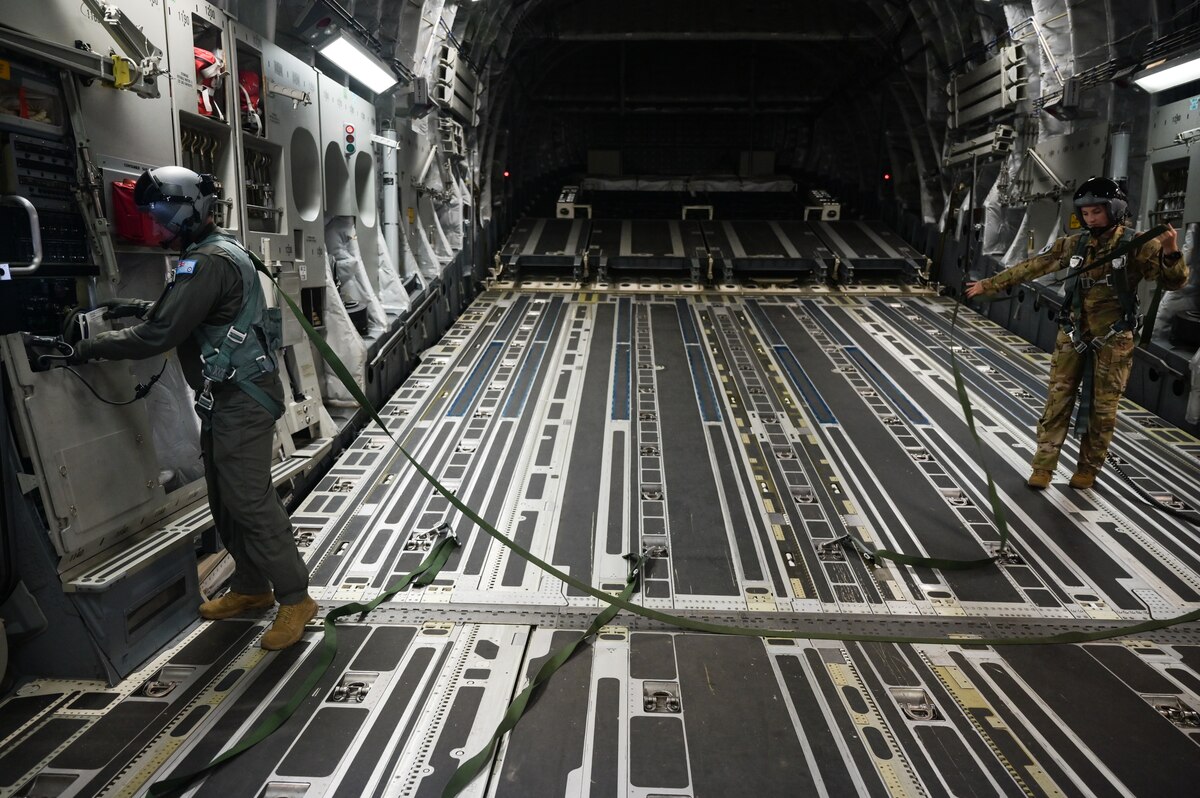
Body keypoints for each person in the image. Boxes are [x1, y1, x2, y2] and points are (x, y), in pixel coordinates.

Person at [70, 166, 317, 650]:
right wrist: (132, 306)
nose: (155, 224)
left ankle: (296, 598)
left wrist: (90, 348)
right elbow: (181, 312)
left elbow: (160, 335)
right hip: (230, 398)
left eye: (160, 212)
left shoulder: (207, 262)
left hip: (242, 398)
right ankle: (251, 587)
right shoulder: (208, 254)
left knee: (249, 500)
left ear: (187, 211)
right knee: (227, 499)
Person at [966, 176, 1187, 490]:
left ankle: (1087, 469)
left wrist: (1170, 249)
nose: (1090, 218)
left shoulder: (1139, 244)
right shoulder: (1075, 244)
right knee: (1057, 402)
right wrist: (989, 285)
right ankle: (1043, 467)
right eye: (1085, 213)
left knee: (1103, 410)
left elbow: (1174, 282)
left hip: (1114, 339)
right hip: (1073, 334)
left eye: (1096, 212)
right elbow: (1035, 265)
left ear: (1114, 209)